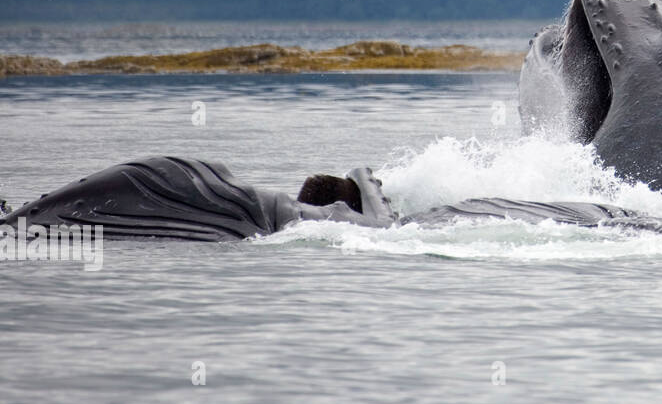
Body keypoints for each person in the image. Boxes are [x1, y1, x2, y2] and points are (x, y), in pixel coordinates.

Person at [0, 157, 397, 241]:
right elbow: (386, 226)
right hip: (175, 183)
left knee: (22, 227)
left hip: (167, 178)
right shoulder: (302, 217)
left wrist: (361, 176)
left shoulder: (286, 212)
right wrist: (363, 174)